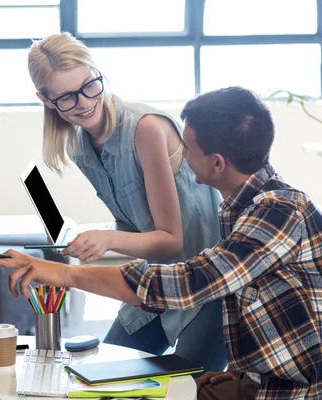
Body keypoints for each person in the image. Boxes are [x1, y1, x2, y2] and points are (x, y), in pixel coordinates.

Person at [0, 86, 322, 399]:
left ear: (217, 163)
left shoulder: (277, 213)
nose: (180, 154)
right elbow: (259, 302)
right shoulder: (244, 205)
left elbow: (183, 285)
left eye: (187, 148)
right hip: (271, 380)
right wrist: (239, 372)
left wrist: (60, 273)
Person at [26, 32, 227, 373]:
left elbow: (170, 240)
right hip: (155, 284)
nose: (85, 103)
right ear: (46, 101)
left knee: (184, 387)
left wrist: (106, 240)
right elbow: (133, 229)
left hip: (205, 287)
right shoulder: (80, 145)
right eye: (67, 98)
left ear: (97, 71)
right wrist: (88, 237)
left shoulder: (145, 129)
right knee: (105, 375)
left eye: (90, 85)